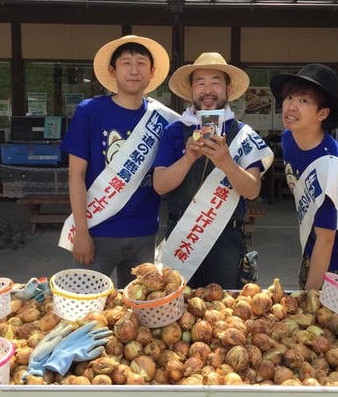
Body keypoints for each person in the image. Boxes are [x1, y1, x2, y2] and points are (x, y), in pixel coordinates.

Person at [58, 35, 178, 288]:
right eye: (126, 63)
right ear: (112, 70)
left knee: (137, 314)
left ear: (152, 71)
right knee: (86, 306)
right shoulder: (89, 111)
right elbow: (75, 175)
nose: (134, 70)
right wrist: (81, 232)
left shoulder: (162, 119)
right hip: (97, 230)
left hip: (144, 232)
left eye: (141, 63)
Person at [153, 52, 273, 288]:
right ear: (191, 90)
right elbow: (160, 185)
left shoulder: (242, 134)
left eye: (216, 82)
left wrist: (227, 162)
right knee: (178, 311)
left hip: (227, 242)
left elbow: (252, 190)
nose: (208, 90)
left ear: (228, 88)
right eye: (200, 82)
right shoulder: (175, 131)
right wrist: (188, 158)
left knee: (226, 314)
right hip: (182, 237)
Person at [269, 64, 338, 290]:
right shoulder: (289, 138)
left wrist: (310, 295)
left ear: (322, 114)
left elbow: (327, 239)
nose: (291, 106)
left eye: (303, 101)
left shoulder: (332, 167)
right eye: (289, 97)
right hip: (312, 249)